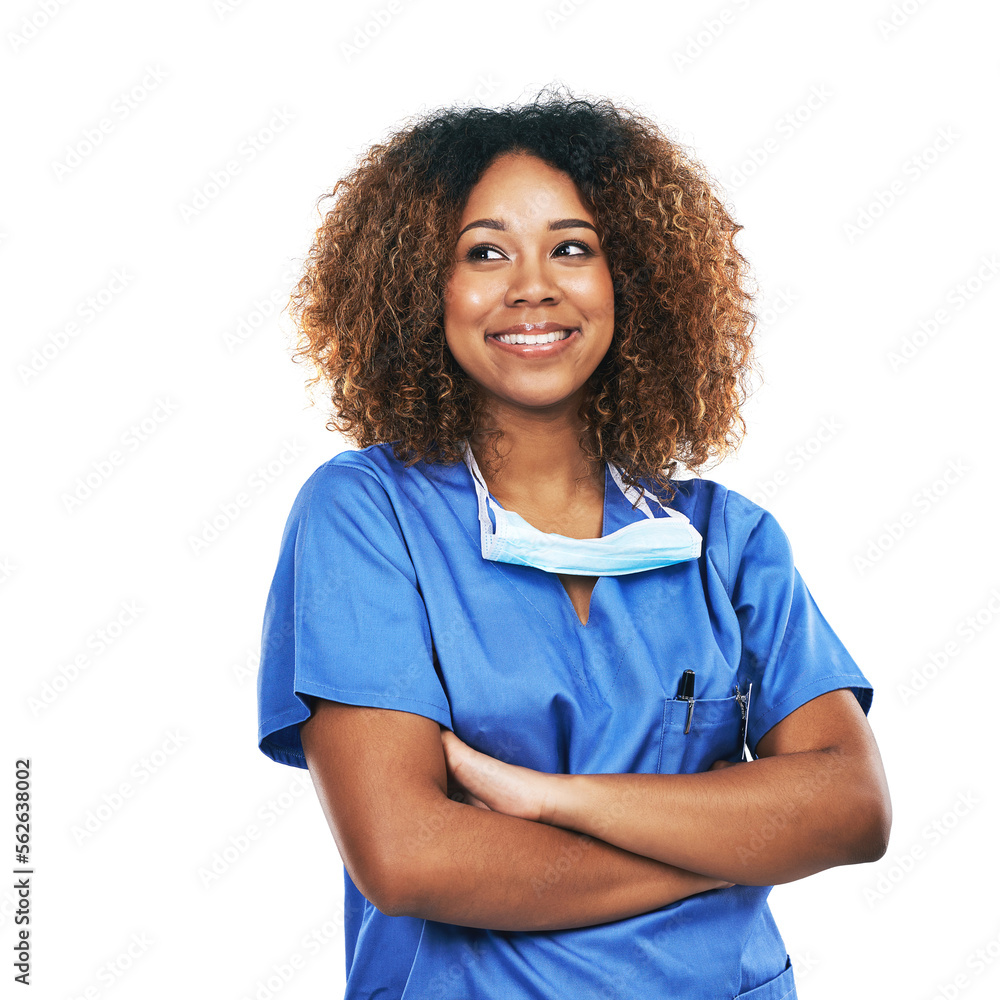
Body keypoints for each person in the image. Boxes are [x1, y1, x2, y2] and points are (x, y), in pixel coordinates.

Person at [256, 86, 891, 999]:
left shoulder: (726, 539)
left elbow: (851, 809)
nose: (532, 285)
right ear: (418, 288)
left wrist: (554, 799)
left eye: (573, 248)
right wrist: (729, 850)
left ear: (630, 279)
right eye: (484, 251)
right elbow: (408, 857)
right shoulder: (365, 516)